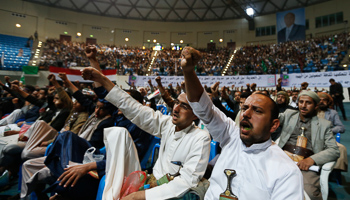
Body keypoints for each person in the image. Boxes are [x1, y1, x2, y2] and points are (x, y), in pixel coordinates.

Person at [181, 46, 303, 199]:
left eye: (257, 110)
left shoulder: (286, 172)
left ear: (274, 125)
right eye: (245, 108)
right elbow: (202, 107)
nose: (245, 113)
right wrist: (188, 71)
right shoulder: (231, 136)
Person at [81, 66, 211, 200]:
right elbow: (133, 108)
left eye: (184, 106)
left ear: (196, 115)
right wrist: (102, 79)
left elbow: (186, 182)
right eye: (177, 102)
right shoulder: (166, 124)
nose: (176, 108)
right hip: (153, 183)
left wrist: (141, 196)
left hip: (175, 193)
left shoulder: (201, 138)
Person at [278, 90, 340, 200]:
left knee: (309, 194)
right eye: (301, 102)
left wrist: (311, 159)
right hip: (282, 159)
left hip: (304, 165)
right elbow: (271, 117)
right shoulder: (288, 115)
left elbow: (334, 150)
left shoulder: (324, 125)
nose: (303, 105)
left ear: (316, 105)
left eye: (308, 103)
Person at [317, 92, 347, 171]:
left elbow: (341, 127)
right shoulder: (312, 111)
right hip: (312, 138)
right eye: (320, 100)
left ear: (328, 102)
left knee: (342, 148)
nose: (322, 101)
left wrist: (330, 130)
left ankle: (334, 170)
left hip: (327, 139)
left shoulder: (333, 113)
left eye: (324, 100)